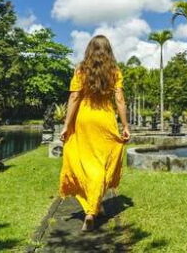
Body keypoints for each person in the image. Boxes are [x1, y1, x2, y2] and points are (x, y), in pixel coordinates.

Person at [58, 35, 131, 231]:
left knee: (86, 163)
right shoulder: (114, 71)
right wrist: (125, 125)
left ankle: (92, 207)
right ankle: (93, 208)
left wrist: (66, 124)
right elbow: (120, 100)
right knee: (104, 164)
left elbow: (74, 97)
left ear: (89, 50)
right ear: (108, 51)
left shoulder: (81, 70)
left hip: (85, 119)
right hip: (105, 120)